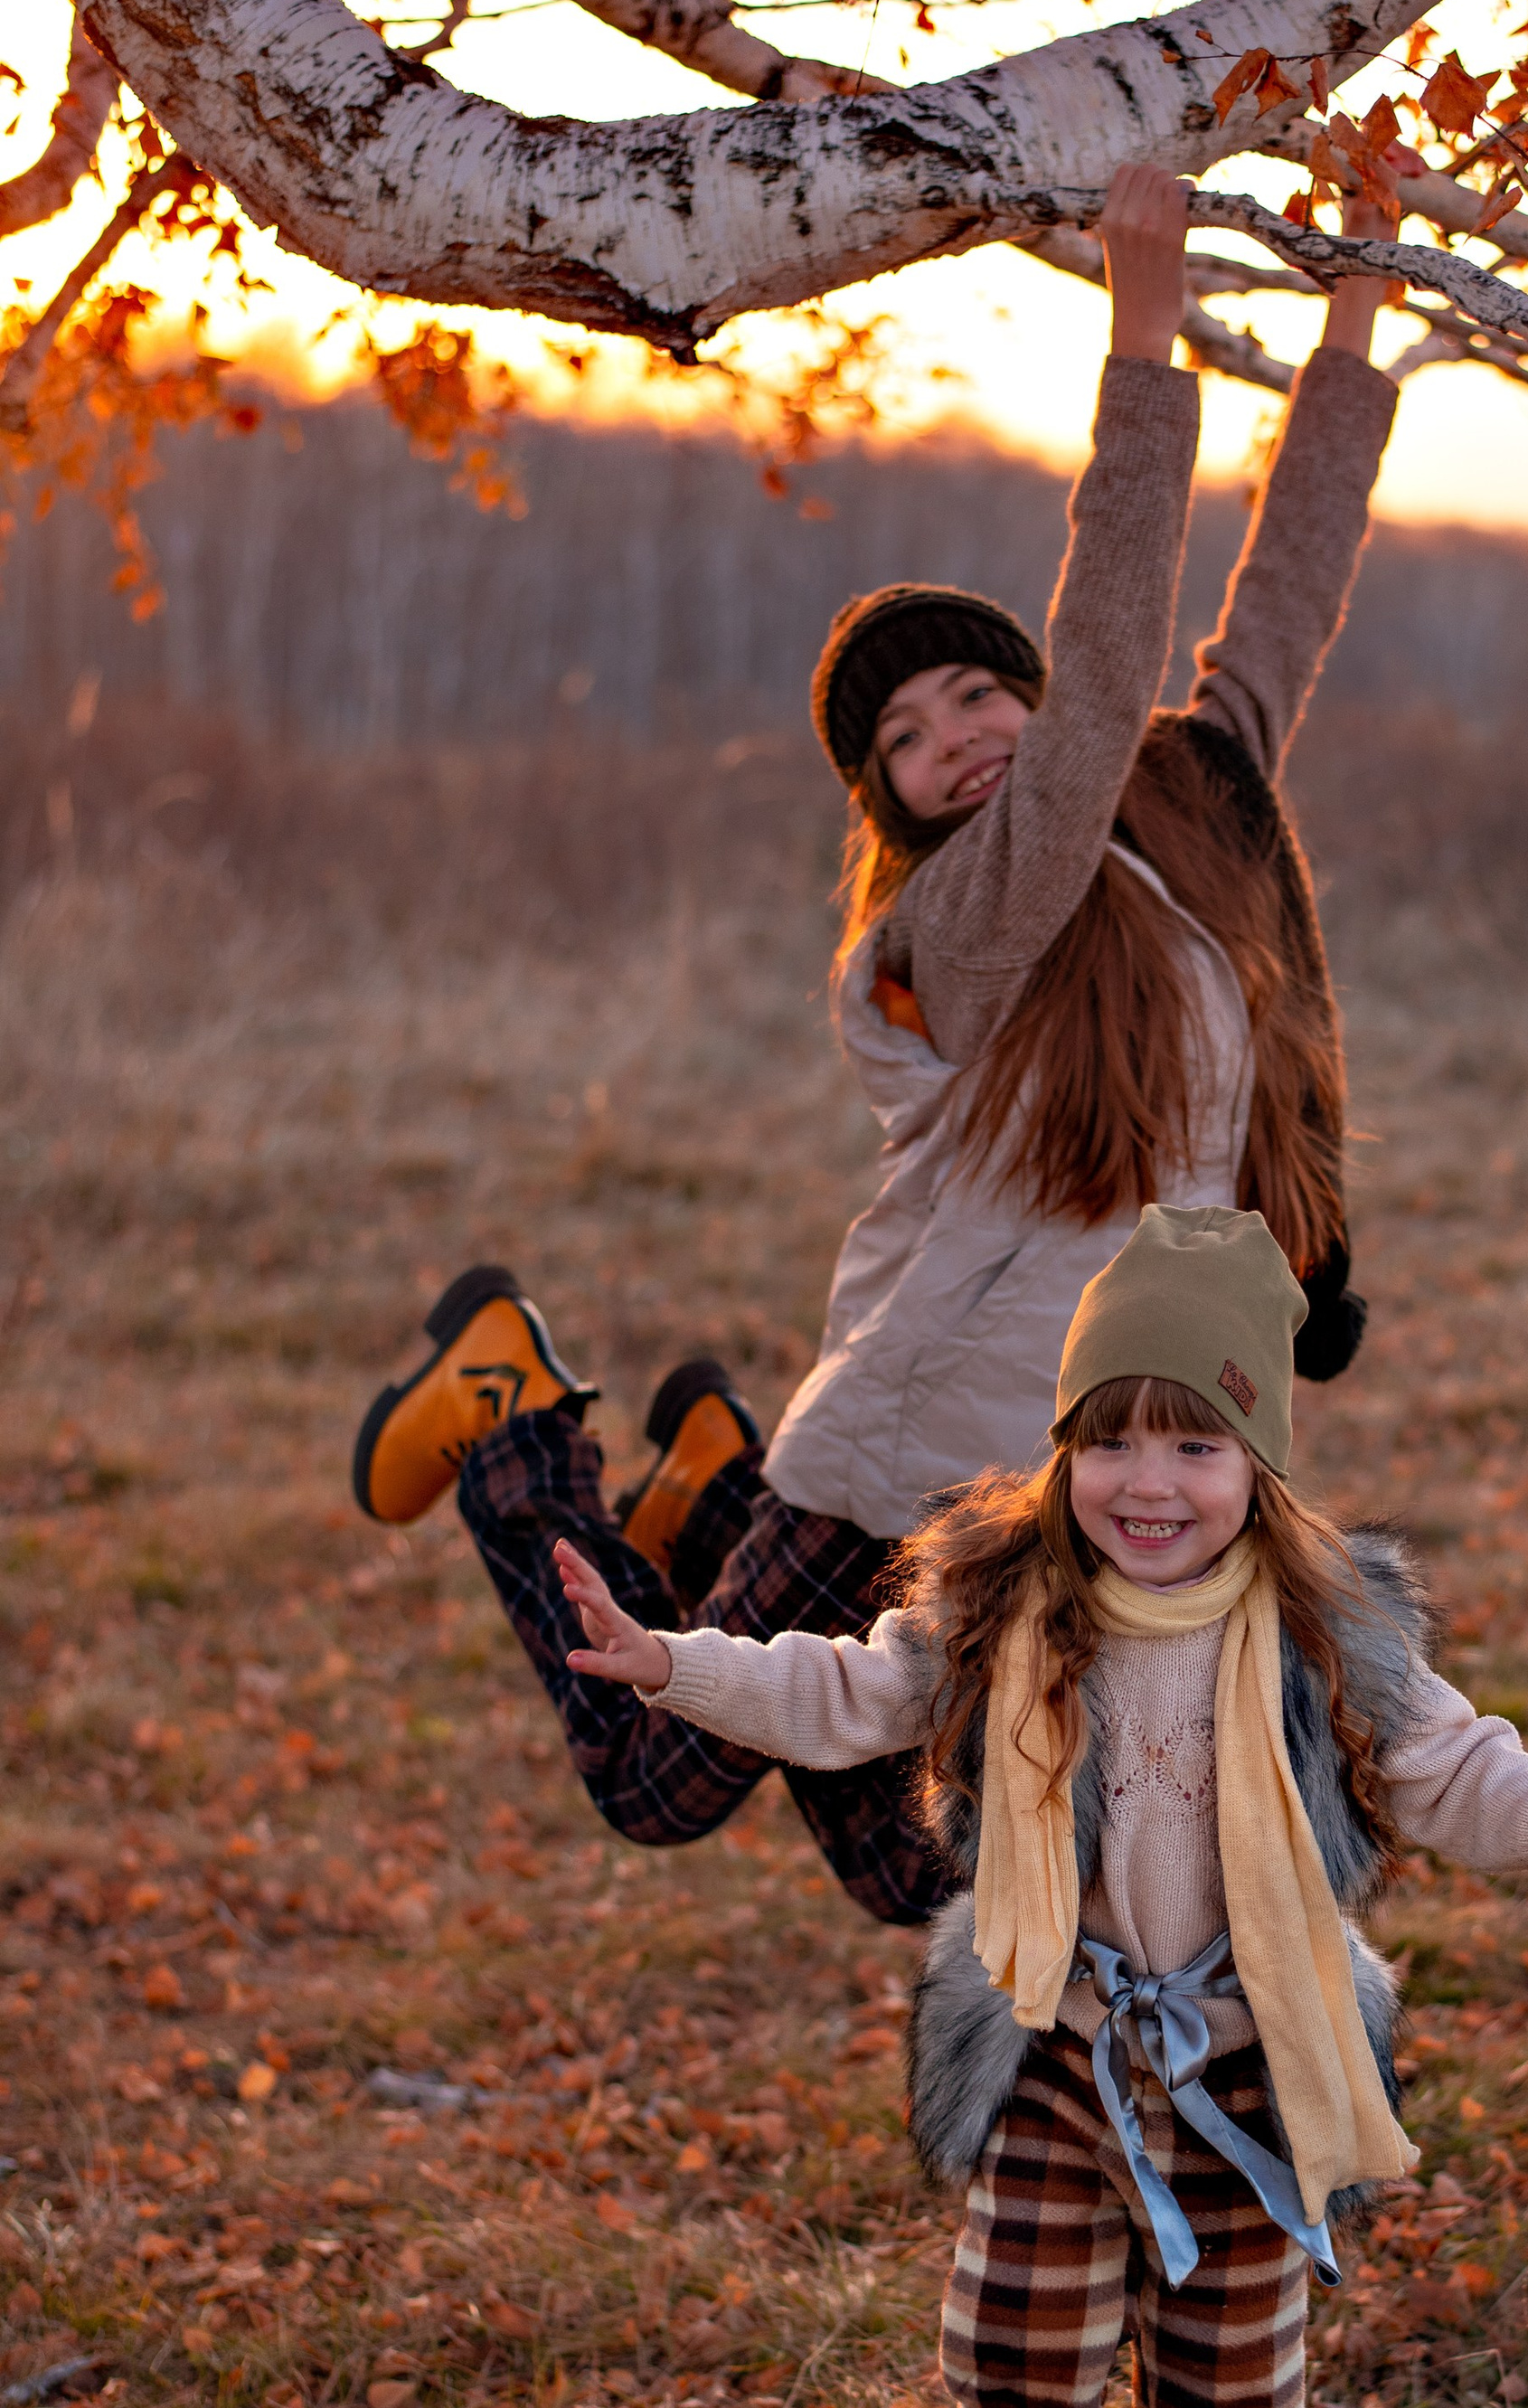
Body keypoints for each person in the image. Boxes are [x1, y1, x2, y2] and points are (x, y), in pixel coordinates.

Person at [351, 163, 1402, 1929]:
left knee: (923, 1861)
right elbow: (1114, 637)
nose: (963, 737)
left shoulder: (1188, 827)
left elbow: (1280, 602)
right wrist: (1143, 343)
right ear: (896, 808)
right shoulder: (967, 920)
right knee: (653, 1779)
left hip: (1039, 1468)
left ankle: (700, 1507)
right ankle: (511, 1413)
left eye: (980, 694)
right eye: (910, 738)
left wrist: (1355, 324)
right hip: (903, 1460)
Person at [554, 1205, 1528, 2408]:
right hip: (1059, 2038)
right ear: (1062, 1453)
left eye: (1195, 1447)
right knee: (1018, 2326)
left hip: (1246, 2065)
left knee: (1232, 2377)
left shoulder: (1318, 1626)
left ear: (1258, 1463)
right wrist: (679, 1662)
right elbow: (845, 1688)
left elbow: (1447, 1757)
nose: (1149, 1486)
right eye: (1112, 1445)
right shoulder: (1006, 1608)